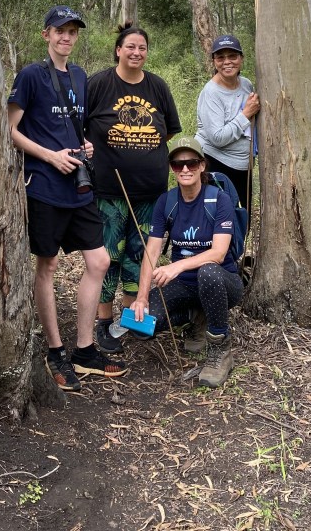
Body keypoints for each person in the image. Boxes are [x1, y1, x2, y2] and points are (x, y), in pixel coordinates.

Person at [7, 6, 128, 392]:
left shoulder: (78, 76)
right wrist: (49, 156)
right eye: (60, 30)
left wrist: (84, 145)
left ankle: (85, 350)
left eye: (73, 31)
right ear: (46, 34)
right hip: (44, 184)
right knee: (48, 264)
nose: (67, 37)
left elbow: (71, 125)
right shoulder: (31, 75)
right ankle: (55, 351)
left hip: (78, 185)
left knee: (100, 260)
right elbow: (10, 129)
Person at [86, 24, 181, 354]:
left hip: (150, 192)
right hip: (108, 191)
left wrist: (140, 148)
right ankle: (103, 320)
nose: (136, 52)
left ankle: (131, 317)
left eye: (142, 47)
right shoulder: (99, 84)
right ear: (118, 50)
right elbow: (78, 126)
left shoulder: (157, 86)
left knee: (138, 256)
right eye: (130, 47)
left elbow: (168, 131)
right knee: (108, 256)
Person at [133, 136, 244, 387]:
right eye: (177, 164)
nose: (185, 169)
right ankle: (196, 316)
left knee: (208, 271)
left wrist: (178, 265)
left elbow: (218, 253)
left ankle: (220, 348)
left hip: (222, 282)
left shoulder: (218, 199)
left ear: (202, 165)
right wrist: (141, 297)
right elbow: (152, 251)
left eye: (191, 163)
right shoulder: (167, 202)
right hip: (184, 286)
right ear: (172, 168)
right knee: (141, 325)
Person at [195, 35, 259, 217]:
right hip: (215, 162)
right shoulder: (211, 93)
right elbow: (217, 138)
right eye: (220, 57)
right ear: (214, 61)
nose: (227, 62)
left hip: (243, 166)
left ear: (241, 58)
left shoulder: (246, 84)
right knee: (219, 221)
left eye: (232, 56)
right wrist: (245, 114)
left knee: (241, 219)